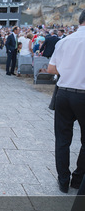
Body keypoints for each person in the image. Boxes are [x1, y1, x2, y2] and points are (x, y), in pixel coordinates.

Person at [47, 10, 85, 194]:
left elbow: (51, 68)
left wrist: (70, 72)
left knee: (62, 139)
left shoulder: (64, 41)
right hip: (83, 94)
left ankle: (63, 180)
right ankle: (78, 179)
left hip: (63, 93)